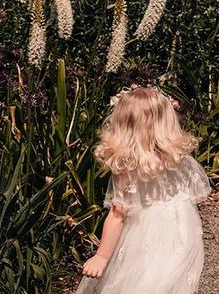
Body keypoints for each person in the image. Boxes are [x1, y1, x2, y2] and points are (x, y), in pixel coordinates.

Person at [76, 85, 211, 294]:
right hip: (182, 232)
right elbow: (192, 196)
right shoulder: (179, 156)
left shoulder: (127, 167)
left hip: (145, 234)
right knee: (169, 283)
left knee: (141, 283)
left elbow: (117, 215)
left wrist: (102, 256)